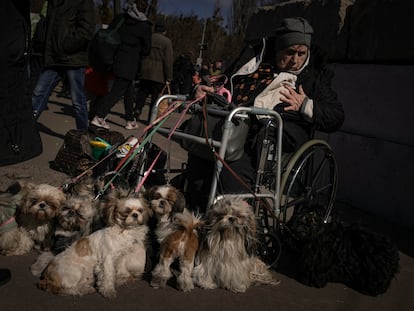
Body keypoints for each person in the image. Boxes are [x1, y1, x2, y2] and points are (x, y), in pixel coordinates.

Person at [186, 17, 345, 212]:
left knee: (231, 178)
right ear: (278, 49)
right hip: (224, 127)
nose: (295, 60)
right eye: (289, 53)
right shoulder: (254, 59)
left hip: (260, 140)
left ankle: (232, 222)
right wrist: (203, 89)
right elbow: (224, 81)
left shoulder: (314, 77)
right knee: (198, 167)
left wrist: (305, 104)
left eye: (302, 53)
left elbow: (336, 116)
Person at [31, 0, 96, 131]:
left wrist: (66, 46)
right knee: (38, 93)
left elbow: (87, 29)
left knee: (78, 101)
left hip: (73, 58)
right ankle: (26, 129)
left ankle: (82, 135)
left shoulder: (84, 2)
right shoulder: (54, 2)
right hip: (54, 57)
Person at [90, 0, 152, 130]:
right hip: (129, 63)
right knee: (117, 91)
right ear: (144, 10)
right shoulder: (144, 26)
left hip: (113, 58)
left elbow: (110, 32)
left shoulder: (121, 18)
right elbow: (147, 49)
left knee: (127, 89)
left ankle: (130, 120)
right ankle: (99, 116)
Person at [134, 19, 174, 123]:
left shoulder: (148, 38)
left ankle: (137, 110)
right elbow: (168, 61)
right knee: (155, 97)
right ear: (164, 31)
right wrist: (169, 77)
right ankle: (150, 118)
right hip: (158, 75)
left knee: (142, 93)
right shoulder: (167, 42)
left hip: (145, 70)